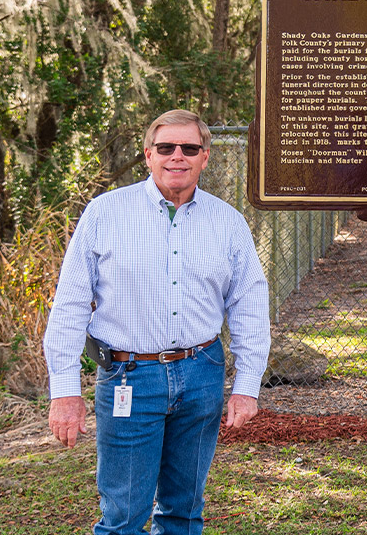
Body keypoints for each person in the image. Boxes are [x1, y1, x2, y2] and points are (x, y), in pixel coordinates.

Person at [43, 109, 271, 535]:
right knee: (124, 516)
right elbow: (71, 303)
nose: (177, 156)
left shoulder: (228, 222)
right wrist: (64, 391)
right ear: (149, 155)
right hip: (130, 376)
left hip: (202, 371)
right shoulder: (105, 213)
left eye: (189, 148)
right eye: (166, 147)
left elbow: (249, 303)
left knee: (184, 511)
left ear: (205, 157)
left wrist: (247, 385)